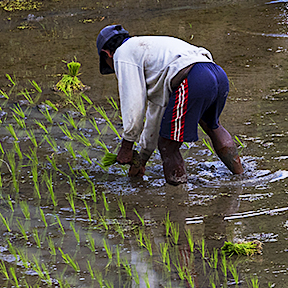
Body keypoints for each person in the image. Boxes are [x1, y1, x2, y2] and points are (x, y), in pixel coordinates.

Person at [95, 24, 243, 185]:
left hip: (191, 78)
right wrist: (142, 160)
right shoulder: (149, 49)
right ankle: (241, 178)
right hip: (215, 73)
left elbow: (133, 104)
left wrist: (126, 145)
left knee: (168, 145)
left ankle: (178, 199)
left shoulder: (122, 54)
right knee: (213, 126)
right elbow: (156, 115)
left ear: (107, 54)